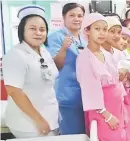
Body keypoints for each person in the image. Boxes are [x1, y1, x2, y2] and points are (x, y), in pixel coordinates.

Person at [3, 5, 59, 138]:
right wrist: (38, 120)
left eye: (42, 29)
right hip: (29, 123)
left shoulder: (44, 51)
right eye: (32, 29)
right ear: (22, 31)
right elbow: (15, 92)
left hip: (50, 117)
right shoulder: (15, 55)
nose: (38, 33)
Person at [76, 13, 127, 141]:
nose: (102, 33)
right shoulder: (84, 58)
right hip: (102, 111)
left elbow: (114, 78)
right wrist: (107, 116)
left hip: (116, 107)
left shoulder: (105, 54)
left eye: (104, 29)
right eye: (97, 29)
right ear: (87, 31)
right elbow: (89, 92)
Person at [45, 2, 86, 135]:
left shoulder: (84, 40)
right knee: (71, 135)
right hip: (66, 96)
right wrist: (64, 48)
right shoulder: (55, 37)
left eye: (80, 16)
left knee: (85, 135)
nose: (76, 19)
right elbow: (56, 65)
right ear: (64, 17)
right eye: (72, 15)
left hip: (84, 96)